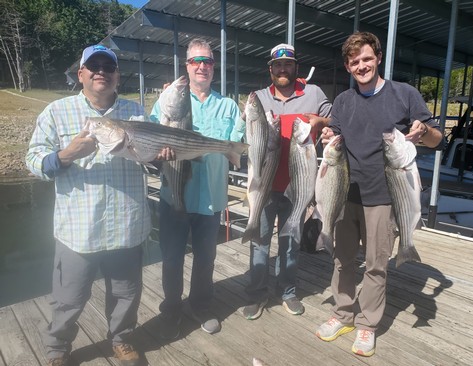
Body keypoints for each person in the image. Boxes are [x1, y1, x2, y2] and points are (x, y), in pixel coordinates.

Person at [315, 32, 443, 357]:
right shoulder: (344, 101)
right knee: (342, 260)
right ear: (348, 66)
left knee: (375, 265)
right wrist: (330, 132)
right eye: (355, 61)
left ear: (378, 58)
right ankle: (343, 313)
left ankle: (367, 324)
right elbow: (338, 133)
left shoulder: (404, 94)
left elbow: (437, 139)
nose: (362, 65)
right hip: (344, 193)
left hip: (386, 197)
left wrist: (424, 132)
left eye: (367, 58)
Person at [26, 45, 152, 366]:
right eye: (92, 66)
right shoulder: (56, 111)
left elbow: (154, 159)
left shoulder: (136, 112)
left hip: (128, 225)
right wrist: (66, 155)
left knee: (126, 294)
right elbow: (33, 162)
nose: (101, 71)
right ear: (80, 74)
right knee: (69, 299)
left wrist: (163, 156)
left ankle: (122, 339)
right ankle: (58, 348)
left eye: (108, 66)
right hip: (78, 232)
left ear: (117, 76)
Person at [149, 38, 245, 338]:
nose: (202, 66)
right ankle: (172, 308)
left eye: (208, 61)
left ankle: (200, 305)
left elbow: (236, 148)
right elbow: (151, 139)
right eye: (196, 61)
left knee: (206, 258)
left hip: (212, 199)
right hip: (174, 194)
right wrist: (158, 153)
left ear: (214, 67)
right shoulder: (168, 99)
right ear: (187, 66)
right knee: (172, 258)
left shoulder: (229, 106)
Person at [242, 43, 332, 320]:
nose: (283, 69)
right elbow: (243, 131)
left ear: (295, 67)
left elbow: (336, 118)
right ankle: (257, 295)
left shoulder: (314, 93)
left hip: (298, 185)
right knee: (260, 241)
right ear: (271, 69)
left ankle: (288, 292)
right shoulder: (257, 98)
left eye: (288, 64)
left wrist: (320, 121)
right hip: (264, 186)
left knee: (290, 241)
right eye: (277, 65)